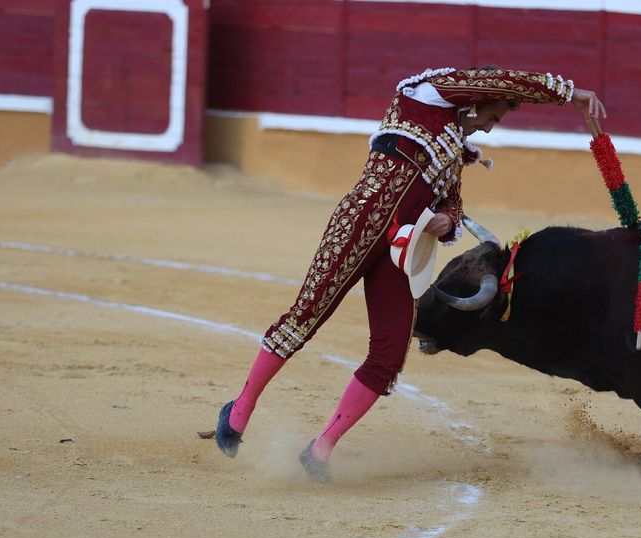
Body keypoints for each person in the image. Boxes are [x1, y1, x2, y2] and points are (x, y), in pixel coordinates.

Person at [212, 66, 606, 482]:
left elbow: (452, 206)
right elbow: (501, 80)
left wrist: (444, 219)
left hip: (402, 248)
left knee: (389, 353)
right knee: (307, 316)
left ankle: (321, 448)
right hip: (360, 223)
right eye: (492, 118)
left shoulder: (453, 149)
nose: (489, 130)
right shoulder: (425, 98)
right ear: (476, 100)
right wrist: (568, 93)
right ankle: (240, 410)